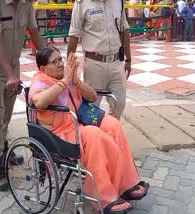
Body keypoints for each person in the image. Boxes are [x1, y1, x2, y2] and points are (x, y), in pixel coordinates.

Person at [29, 46, 149, 214]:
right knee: (95, 136)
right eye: (54, 62)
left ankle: (125, 184)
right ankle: (105, 197)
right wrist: (65, 81)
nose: (60, 64)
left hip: (79, 122)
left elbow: (92, 97)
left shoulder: (68, 77)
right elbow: (39, 102)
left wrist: (76, 81)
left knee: (112, 124)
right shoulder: (40, 81)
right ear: (42, 68)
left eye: (60, 60)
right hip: (60, 133)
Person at [0, 0, 45, 191]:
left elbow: (34, 32)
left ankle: (4, 150)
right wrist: (9, 75)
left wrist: (50, 56)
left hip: (13, 66)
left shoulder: (26, 4)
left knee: (7, 114)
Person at [67, 0, 132, 119]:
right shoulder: (81, 4)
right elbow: (74, 35)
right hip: (94, 65)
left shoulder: (119, 2)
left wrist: (128, 59)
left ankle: (111, 131)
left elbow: (124, 29)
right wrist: (69, 68)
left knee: (119, 104)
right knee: (92, 106)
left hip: (116, 62)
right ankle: (93, 135)